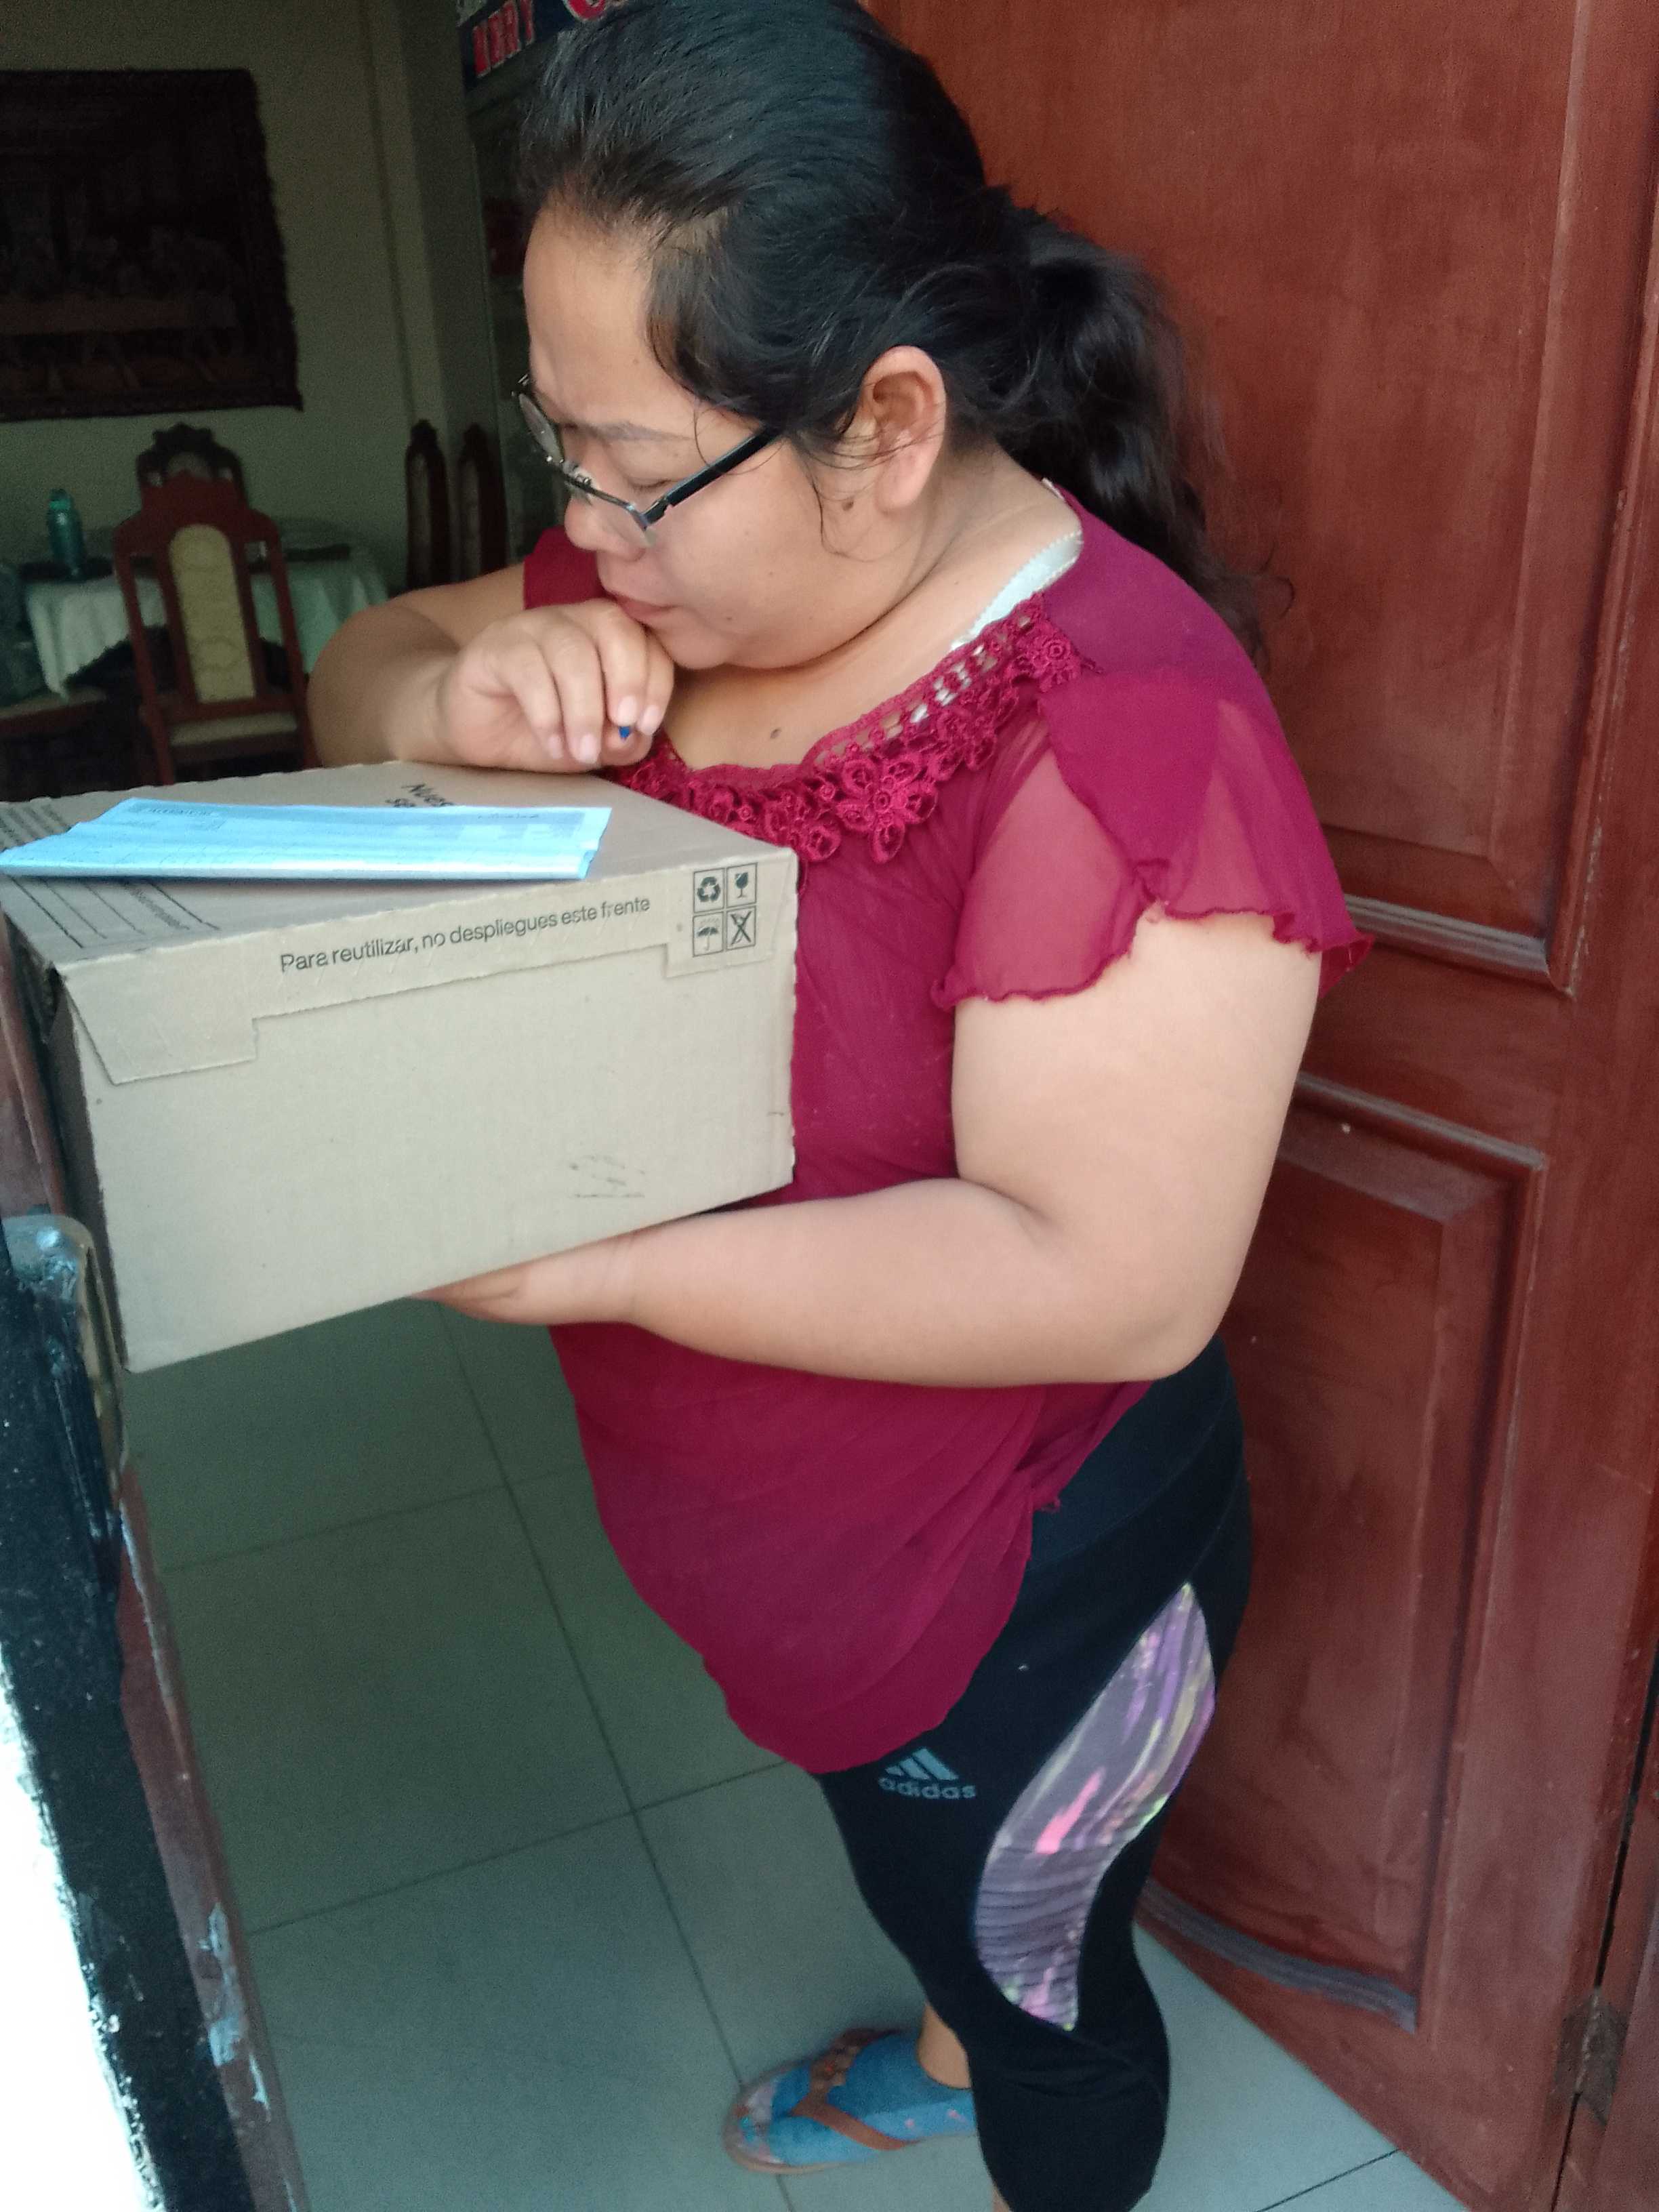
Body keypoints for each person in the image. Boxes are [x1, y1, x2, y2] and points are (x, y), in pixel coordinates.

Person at [310, 3, 1368, 2205]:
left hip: (1015, 1599)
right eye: (558, 444)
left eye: (628, 463)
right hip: (783, 1561)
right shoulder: (671, 575)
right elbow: (360, 664)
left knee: (1045, 1988)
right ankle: (950, 2025)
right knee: (933, 1895)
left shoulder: (1121, 734)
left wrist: (594, 1258)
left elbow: (1109, 1279)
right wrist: (454, 689)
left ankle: (994, 2067)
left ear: (883, 424)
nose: (582, 524)